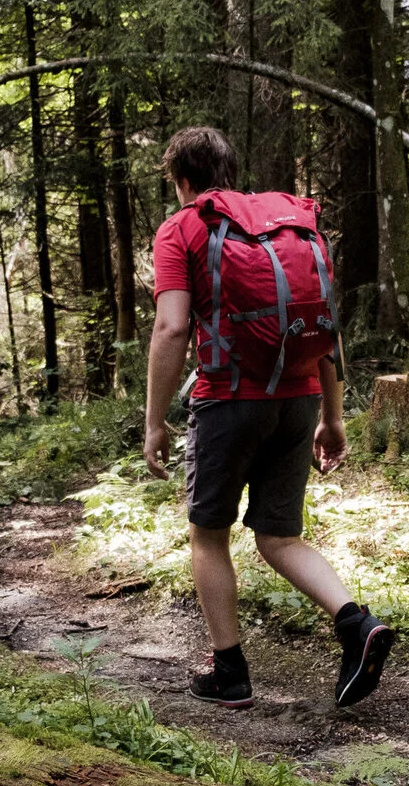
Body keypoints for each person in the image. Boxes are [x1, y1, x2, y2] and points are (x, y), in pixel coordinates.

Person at [143, 125, 394, 710]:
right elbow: (323, 325)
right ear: (229, 172)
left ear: (182, 180)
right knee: (280, 537)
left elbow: (172, 327)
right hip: (298, 399)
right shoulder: (291, 224)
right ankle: (356, 623)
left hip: (228, 401)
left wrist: (154, 421)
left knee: (209, 535)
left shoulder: (182, 228)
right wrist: (333, 416)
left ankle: (229, 672)